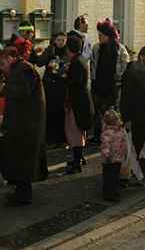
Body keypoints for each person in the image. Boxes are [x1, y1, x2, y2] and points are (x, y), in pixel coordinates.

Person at [0, 40, 47, 206]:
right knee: (19, 157)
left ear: (11, 59)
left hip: (27, 124)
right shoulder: (19, 70)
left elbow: (21, 92)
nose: (2, 68)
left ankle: (23, 195)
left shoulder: (24, 70)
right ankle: (20, 191)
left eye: (3, 64)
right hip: (23, 122)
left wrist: (1, 88)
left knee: (23, 158)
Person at [90, 19, 129, 142]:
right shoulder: (97, 48)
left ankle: (112, 135)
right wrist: (93, 79)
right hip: (98, 85)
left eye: (101, 35)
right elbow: (93, 65)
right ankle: (98, 135)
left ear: (108, 36)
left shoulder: (120, 49)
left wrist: (119, 77)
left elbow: (125, 65)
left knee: (112, 112)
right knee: (98, 112)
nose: (99, 37)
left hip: (113, 86)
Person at [120, 46, 145, 170]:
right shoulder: (136, 72)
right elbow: (127, 96)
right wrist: (126, 117)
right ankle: (131, 172)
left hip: (141, 114)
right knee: (135, 144)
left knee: (137, 144)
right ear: (142, 57)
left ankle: (133, 170)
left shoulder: (142, 71)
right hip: (137, 115)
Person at [32, 32, 68, 147]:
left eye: (63, 40)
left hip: (62, 86)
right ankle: (50, 139)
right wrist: (37, 53)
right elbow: (40, 62)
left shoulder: (67, 52)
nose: (61, 42)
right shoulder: (50, 50)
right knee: (50, 112)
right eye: (58, 40)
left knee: (61, 113)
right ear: (54, 40)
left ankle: (61, 139)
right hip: (50, 86)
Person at [64, 35, 93, 174]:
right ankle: (79, 157)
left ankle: (77, 163)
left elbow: (74, 81)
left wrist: (64, 76)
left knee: (75, 131)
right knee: (80, 130)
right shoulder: (81, 59)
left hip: (78, 101)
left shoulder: (76, 62)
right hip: (82, 99)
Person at [100, 109, 127, 202]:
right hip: (110, 159)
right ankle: (110, 194)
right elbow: (105, 145)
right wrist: (107, 155)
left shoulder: (118, 131)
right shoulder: (109, 132)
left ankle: (111, 193)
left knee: (113, 176)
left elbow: (123, 143)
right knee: (110, 177)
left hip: (117, 158)